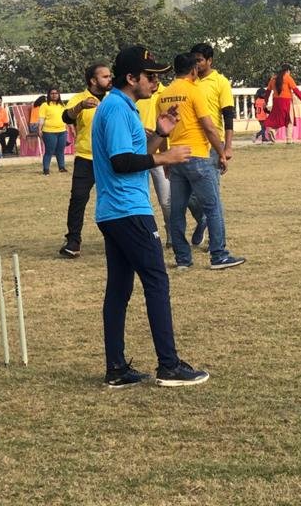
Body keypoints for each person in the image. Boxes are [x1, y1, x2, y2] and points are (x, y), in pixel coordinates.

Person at [93, 45, 208, 388]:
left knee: (119, 289)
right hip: (128, 210)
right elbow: (121, 162)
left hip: (115, 211)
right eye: (150, 77)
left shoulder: (121, 106)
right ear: (131, 78)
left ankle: (116, 369)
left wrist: (160, 134)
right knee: (157, 281)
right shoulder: (117, 108)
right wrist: (165, 158)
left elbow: (133, 154)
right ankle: (168, 365)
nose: (156, 83)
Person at [160, 52, 245, 271]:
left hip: (175, 156)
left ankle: (182, 259)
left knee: (177, 210)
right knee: (212, 206)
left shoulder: (163, 94)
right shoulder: (194, 90)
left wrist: (165, 158)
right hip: (197, 154)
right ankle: (219, 255)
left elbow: (162, 130)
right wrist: (222, 153)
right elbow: (209, 127)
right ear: (193, 70)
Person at [59, 63, 112, 258]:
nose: (110, 79)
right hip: (86, 157)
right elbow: (66, 117)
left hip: (110, 159)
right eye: (105, 76)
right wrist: (80, 107)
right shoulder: (79, 99)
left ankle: (116, 238)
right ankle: (73, 241)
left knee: (113, 199)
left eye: (110, 76)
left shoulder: (114, 98)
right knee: (78, 199)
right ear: (93, 80)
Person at [188, 42, 236, 247]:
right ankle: (203, 220)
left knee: (212, 194)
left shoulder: (220, 82)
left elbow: (228, 116)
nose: (196, 64)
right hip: (191, 142)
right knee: (189, 196)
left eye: (200, 60)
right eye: (194, 60)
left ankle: (216, 242)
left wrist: (227, 147)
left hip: (212, 144)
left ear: (209, 61)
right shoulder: (189, 81)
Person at [136, 78, 172, 248]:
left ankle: (172, 233)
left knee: (166, 200)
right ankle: (143, 235)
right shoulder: (136, 94)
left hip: (159, 156)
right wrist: (138, 129)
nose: (154, 79)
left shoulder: (166, 94)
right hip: (137, 154)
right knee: (140, 200)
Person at [264, 64, 301, 144]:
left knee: (278, 119)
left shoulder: (273, 79)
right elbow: (295, 90)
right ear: (288, 70)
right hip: (286, 101)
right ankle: (289, 139)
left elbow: (268, 92)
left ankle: (272, 131)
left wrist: (265, 102)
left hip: (276, 101)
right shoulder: (287, 77)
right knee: (289, 120)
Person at [38, 88, 68, 175]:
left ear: (59, 95)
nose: (54, 95)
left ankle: (61, 167)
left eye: (56, 93)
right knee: (49, 151)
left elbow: (65, 118)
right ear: (49, 95)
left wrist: (68, 128)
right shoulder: (44, 105)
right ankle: (46, 169)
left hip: (62, 131)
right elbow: (41, 118)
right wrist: (39, 129)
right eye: (52, 93)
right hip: (49, 132)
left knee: (60, 150)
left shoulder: (62, 105)